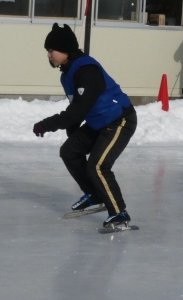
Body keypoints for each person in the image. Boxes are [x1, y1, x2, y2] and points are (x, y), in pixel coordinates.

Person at [32, 23, 137, 230]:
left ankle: (119, 213)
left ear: (65, 50)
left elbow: (77, 111)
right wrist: (73, 137)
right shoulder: (68, 74)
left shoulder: (87, 70)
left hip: (119, 120)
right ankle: (95, 193)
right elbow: (76, 111)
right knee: (69, 151)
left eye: (51, 50)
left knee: (98, 166)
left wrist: (46, 124)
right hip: (98, 122)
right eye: (48, 51)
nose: (49, 55)